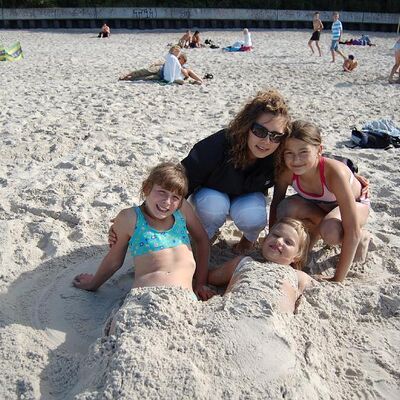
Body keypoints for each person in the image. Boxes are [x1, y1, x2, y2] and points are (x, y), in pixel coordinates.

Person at [73, 162, 214, 301]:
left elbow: (202, 240)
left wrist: (201, 283)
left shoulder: (182, 210)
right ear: (147, 188)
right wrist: (92, 284)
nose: (167, 201)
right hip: (145, 298)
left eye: (175, 197)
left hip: (183, 300)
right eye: (162, 192)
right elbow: (114, 261)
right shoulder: (129, 218)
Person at [182, 89, 291, 253]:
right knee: (213, 207)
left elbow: (279, 200)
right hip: (210, 196)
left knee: (254, 217)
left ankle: (248, 240)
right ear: (246, 126)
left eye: (276, 136)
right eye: (260, 131)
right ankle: (205, 235)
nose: (267, 141)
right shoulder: (216, 146)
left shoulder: (279, 157)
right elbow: (182, 182)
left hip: (247, 199)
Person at [270, 120, 370, 283]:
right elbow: (275, 206)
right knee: (286, 208)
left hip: (354, 206)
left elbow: (351, 229)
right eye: (289, 153)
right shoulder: (286, 172)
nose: (296, 160)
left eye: (303, 152)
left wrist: (337, 279)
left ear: (319, 150)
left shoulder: (334, 173)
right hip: (319, 206)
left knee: (331, 232)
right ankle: (315, 232)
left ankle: (363, 236)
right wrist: (271, 241)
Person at [209, 217, 313, 313]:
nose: (279, 241)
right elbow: (212, 277)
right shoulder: (243, 262)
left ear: (297, 256)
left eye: (288, 242)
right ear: (265, 239)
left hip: (272, 320)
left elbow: (316, 291)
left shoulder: (298, 276)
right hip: (235, 312)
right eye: (276, 235)